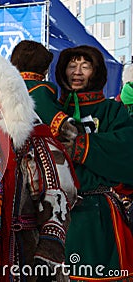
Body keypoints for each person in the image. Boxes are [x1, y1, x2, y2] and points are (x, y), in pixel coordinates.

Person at [0, 51, 79, 281]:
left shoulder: (34, 141)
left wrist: (49, 250)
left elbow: (56, 193)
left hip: (24, 253)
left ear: (9, 100)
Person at [55, 45, 133, 280]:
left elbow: (125, 148)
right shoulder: (53, 111)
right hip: (55, 213)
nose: (77, 71)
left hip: (98, 212)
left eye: (85, 66)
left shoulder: (112, 110)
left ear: (96, 71)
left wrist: (80, 146)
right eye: (71, 65)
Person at [10, 40, 78, 141]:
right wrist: (77, 134)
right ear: (45, 69)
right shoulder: (41, 89)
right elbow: (61, 126)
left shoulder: (6, 87)